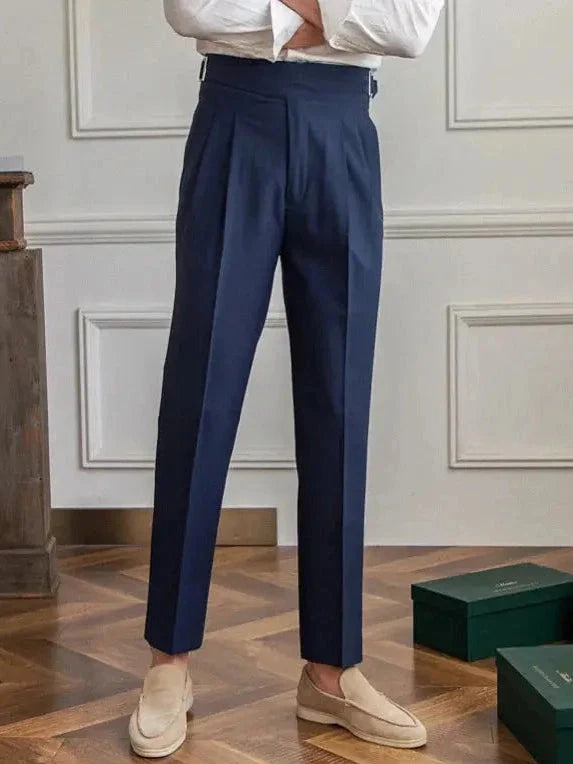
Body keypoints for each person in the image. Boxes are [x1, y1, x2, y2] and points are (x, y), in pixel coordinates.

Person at [129, 0, 444, 757]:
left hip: (343, 129)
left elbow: (409, 27)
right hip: (234, 119)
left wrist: (281, 12)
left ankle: (331, 675)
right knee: (202, 391)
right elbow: (191, 7)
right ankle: (168, 663)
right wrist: (340, 16)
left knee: (339, 400)